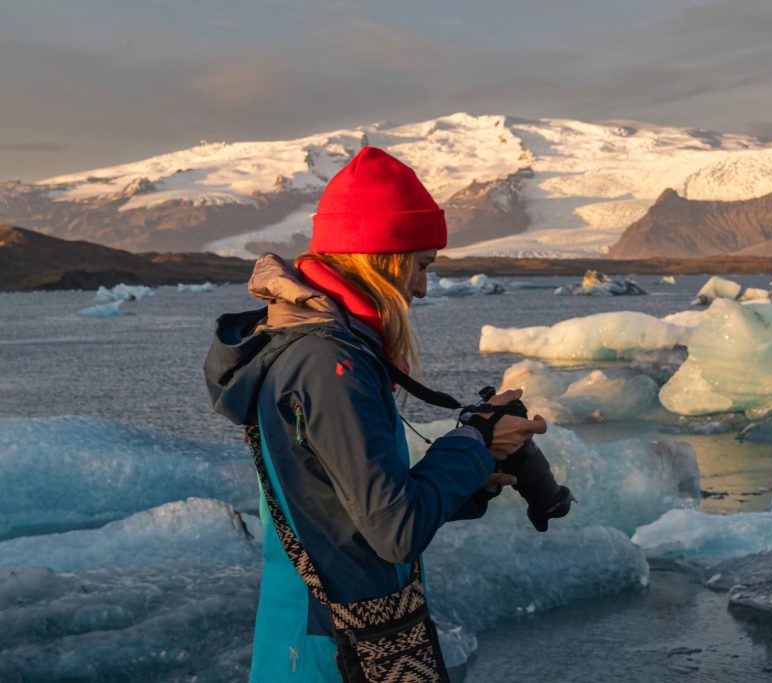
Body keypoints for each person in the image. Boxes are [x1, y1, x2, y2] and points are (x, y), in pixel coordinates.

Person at [205, 147, 547, 682]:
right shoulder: (328, 362)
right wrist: (475, 441)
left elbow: (349, 509)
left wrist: (475, 477)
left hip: (323, 635)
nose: (421, 287)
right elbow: (396, 530)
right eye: (420, 266)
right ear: (381, 256)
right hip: (332, 651)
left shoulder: (328, 349)